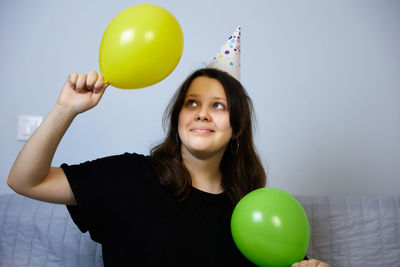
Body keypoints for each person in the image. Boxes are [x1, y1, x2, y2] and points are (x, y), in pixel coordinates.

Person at [8, 68, 329, 267]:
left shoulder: (256, 212)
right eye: (192, 103)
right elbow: (26, 181)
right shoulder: (127, 177)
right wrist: (65, 109)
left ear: (238, 127)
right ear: (178, 118)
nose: (202, 113)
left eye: (218, 106)